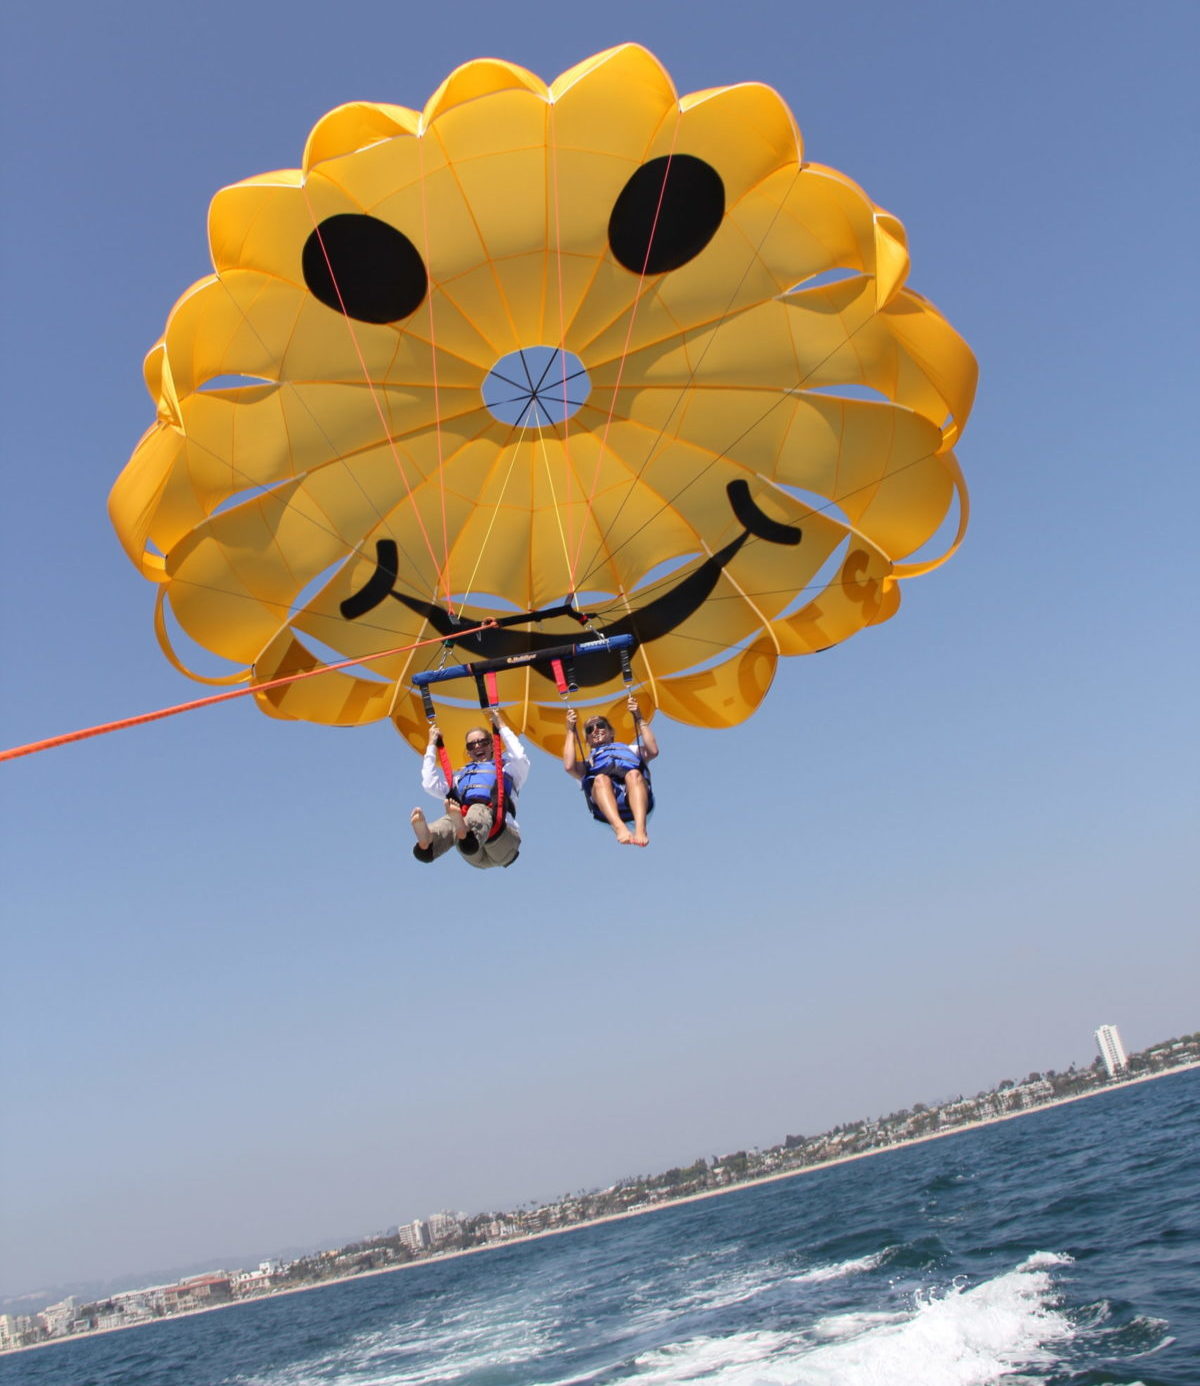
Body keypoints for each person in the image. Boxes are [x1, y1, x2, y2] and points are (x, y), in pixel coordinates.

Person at [410, 709, 530, 868]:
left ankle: (464, 830)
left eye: (483, 742)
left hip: (503, 841)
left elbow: (520, 756)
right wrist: (432, 744)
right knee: (451, 819)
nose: (478, 746)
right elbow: (429, 783)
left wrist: (500, 725)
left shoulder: (508, 769)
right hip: (472, 852)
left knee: (477, 810)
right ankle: (429, 840)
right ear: (468, 751)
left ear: (493, 745)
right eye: (472, 745)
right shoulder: (460, 778)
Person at [563, 694, 659, 846]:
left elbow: (653, 751)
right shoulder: (589, 763)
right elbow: (569, 766)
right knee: (600, 779)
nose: (595, 730)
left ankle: (641, 829)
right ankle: (619, 827)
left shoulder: (631, 750)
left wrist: (639, 718)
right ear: (587, 740)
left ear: (611, 732)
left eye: (600, 725)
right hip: (606, 809)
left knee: (634, 774)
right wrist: (570, 731)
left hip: (637, 801)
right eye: (589, 729)